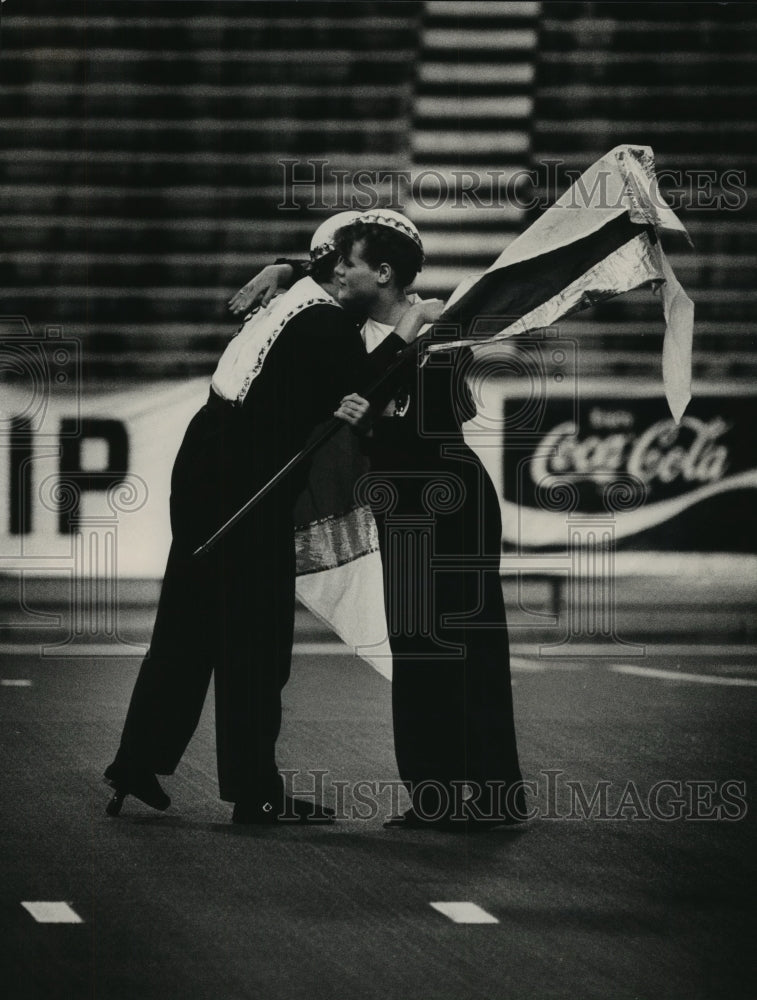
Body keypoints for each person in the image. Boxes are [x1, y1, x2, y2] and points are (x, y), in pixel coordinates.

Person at [104, 212, 418, 825]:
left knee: (188, 625)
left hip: (207, 465)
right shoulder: (328, 323)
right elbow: (372, 393)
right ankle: (255, 791)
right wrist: (410, 328)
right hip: (245, 483)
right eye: (347, 263)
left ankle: (137, 762)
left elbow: (320, 272)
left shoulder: (297, 295)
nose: (342, 270)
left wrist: (285, 264)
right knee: (257, 642)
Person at [233, 210, 525, 830]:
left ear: (385, 273)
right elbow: (328, 276)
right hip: (400, 501)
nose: (336, 271)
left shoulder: (439, 329)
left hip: (449, 496)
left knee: (470, 644)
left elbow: (434, 420)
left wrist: (390, 385)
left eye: (350, 262)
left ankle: (495, 793)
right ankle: (435, 794)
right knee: (418, 647)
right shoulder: (343, 326)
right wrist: (284, 268)